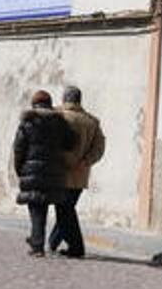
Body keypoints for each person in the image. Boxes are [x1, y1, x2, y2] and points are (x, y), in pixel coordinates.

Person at [12, 90, 73, 257]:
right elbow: (70, 143)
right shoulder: (59, 122)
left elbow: (18, 148)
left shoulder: (28, 122)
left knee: (36, 208)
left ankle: (37, 244)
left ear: (34, 104)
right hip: (54, 172)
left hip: (32, 171)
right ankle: (36, 239)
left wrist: (19, 169)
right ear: (50, 104)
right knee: (45, 206)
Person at [48, 86, 106, 258]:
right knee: (66, 208)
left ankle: (77, 247)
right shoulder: (92, 122)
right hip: (80, 175)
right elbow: (99, 149)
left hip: (59, 172)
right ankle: (52, 242)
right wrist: (85, 162)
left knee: (65, 210)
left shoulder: (57, 117)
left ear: (64, 99)